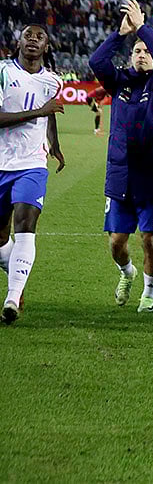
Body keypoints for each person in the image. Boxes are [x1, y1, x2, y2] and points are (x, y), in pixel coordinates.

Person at [89, 0, 153, 313]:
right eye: (138, 50)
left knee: (149, 239)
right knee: (116, 242)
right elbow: (97, 61)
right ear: (130, 57)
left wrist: (143, 27)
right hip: (120, 173)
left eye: (147, 51)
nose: (143, 54)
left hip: (152, 174)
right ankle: (127, 273)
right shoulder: (120, 82)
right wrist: (121, 33)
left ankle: (149, 293)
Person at [0, 24, 66, 324]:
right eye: (28, 36)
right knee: (1, 238)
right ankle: (14, 269)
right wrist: (39, 112)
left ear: (46, 47)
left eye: (39, 38)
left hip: (32, 164)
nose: (33, 41)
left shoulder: (53, 81)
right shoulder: (3, 72)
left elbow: (50, 114)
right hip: (1, 162)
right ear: (18, 42)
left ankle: (12, 298)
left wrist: (55, 145)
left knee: (25, 224)